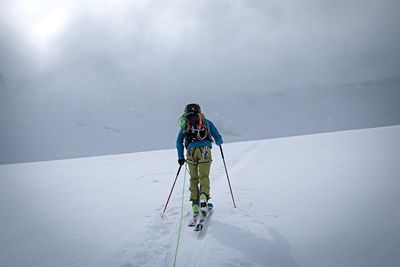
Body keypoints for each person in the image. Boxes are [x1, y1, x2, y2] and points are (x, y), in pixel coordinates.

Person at [176, 103, 223, 221]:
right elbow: (217, 136)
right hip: (205, 150)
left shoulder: (184, 124)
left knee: (193, 178)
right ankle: (204, 198)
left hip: (191, 151)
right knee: (204, 176)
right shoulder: (206, 122)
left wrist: (180, 157)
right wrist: (219, 142)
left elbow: (179, 142)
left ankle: (195, 203)